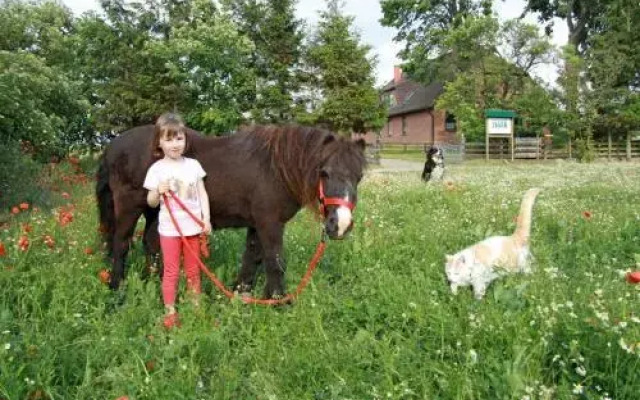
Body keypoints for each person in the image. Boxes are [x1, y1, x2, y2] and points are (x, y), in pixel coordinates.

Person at [143, 112, 211, 328]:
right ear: (159, 142)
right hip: (170, 230)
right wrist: (157, 192)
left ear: (185, 140)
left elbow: (202, 194)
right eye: (169, 139)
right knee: (171, 271)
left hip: (192, 229)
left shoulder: (193, 165)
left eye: (179, 138)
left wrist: (206, 219)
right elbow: (151, 202)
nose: (175, 144)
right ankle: (170, 311)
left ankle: (195, 306)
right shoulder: (157, 169)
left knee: (193, 270)